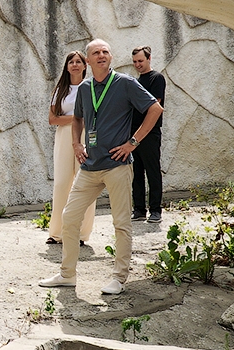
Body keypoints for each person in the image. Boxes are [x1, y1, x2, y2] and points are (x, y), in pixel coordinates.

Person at [40, 39, 163, 295]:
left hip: (117, 165)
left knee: (121, 223)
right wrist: (76, 143)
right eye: (96, 52)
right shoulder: (85, 88)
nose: (101, 55)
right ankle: (67, 274)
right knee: (69, 217)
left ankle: (118, 278)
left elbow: (155, 108)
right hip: (90, 166)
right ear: (88, 60)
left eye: (106, 51)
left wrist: (132, 142)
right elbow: (78, 118)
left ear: (111, 57)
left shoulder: (126, 83)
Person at [47, 51, 95, 246]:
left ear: (85, 65)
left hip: (87, 136)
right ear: (67, 67)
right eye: (71, 62)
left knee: (85, 183)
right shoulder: (60, 90)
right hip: (64, 136)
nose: (75, 64)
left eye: (79, 61)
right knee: (62, 184)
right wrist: (77, 117)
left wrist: (78, 119)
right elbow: (52, 119)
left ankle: (81, 234)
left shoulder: (92, 87)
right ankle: (57, 233)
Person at [130, 46, 166, 223]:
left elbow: (154, 105)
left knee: (152, 171)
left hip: (150, 132)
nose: (138, 64)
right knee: (136, 172)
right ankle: (138, 209)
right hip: (133, 132)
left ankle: (156, 210)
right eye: (135, 61)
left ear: (149, 58)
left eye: (140, 61)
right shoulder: (135, 81)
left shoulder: (156, 78)